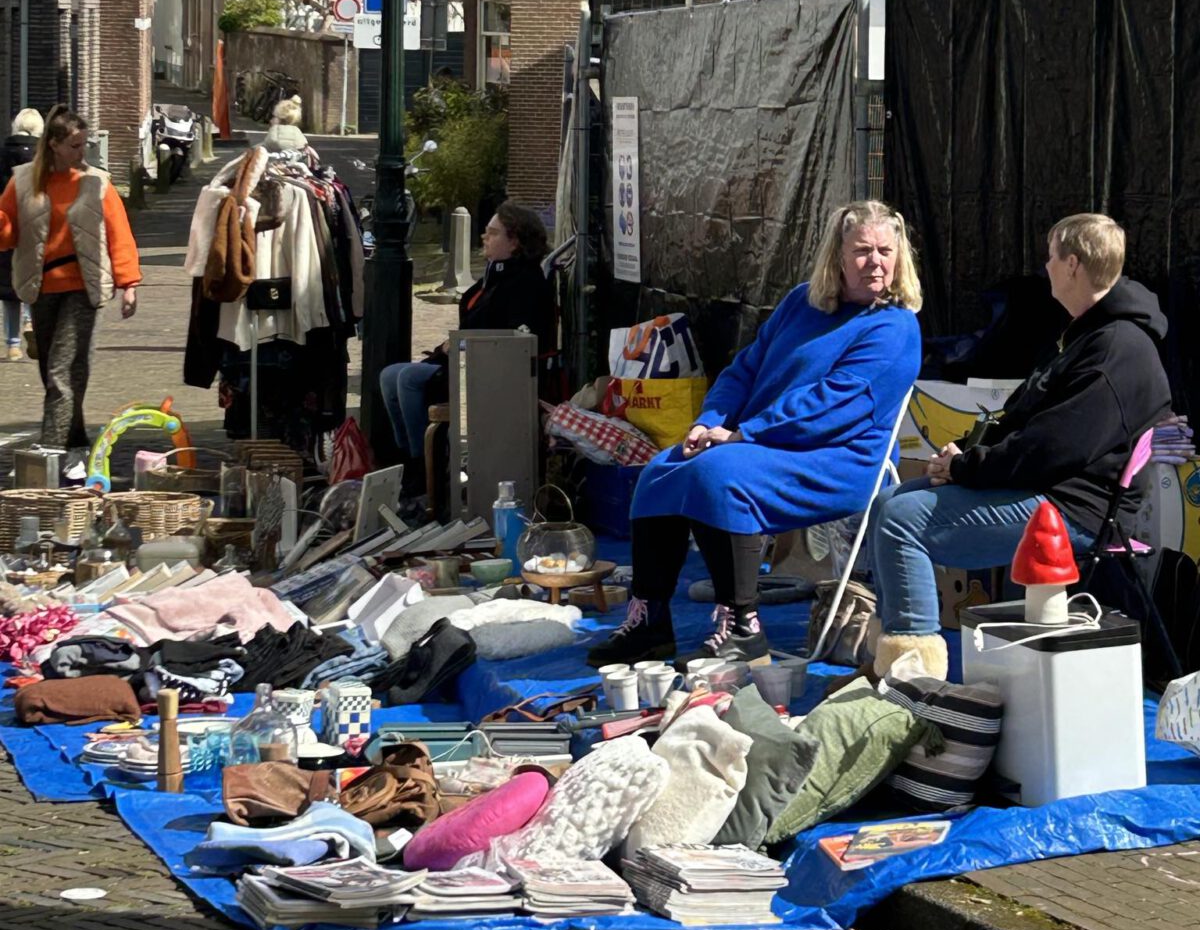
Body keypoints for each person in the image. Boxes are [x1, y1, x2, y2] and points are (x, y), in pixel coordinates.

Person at [588, 200, 924, 669]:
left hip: (835, 458)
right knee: (660, 472)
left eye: (885, 251)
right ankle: (650, 623)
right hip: (761, 444)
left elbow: (833, 405)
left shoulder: (895, 327)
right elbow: (743, 369)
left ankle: (744, 628)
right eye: (863, 250)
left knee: (718, 473)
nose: (876, 262)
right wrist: (710, 421)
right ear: (838, 257)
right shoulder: (801, 303)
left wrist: (743, 435)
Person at [866, 212, 1172, 682]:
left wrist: (968, 468)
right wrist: (963, 454)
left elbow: (1053, 448)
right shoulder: (1085, 335)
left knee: (903, 521)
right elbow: (1023, 421)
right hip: (1047, 491)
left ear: (1072, 264)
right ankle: (891, 664)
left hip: (1073, 512)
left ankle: (915, 683)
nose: (1045, 267)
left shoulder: (1119, 349)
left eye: (1051, 258)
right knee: (890, 502)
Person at [379, 200, 555, 490]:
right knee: (389, 375)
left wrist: (462, 345)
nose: (485, 238)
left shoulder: (526, 282)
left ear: (515, 242)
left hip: (489, 375)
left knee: (409, 379)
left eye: (493, 233)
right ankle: (409, 456)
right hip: (463, 362)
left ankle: (426, 474)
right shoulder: (494, 274)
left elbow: (517, 337)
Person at [0, 106, 141, 452]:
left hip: (84, 287)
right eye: (76, 146)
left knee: (63, 370)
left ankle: (52, 448)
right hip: (41, 286)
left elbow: (118, 233)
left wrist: (129, 284)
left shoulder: (97, 182)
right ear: (54, 145)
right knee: (54, 370)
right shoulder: (22, 181)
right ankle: (76, 439)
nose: (83, 153)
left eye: (84, 145)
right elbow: (7, 231)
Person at [0, 109, 44, 361]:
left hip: (6, 229)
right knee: (32, 282)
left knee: (8, 290)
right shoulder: (43, 158)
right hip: (35, 227)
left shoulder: (2, 155)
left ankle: (13, 345)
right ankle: (30, 322)